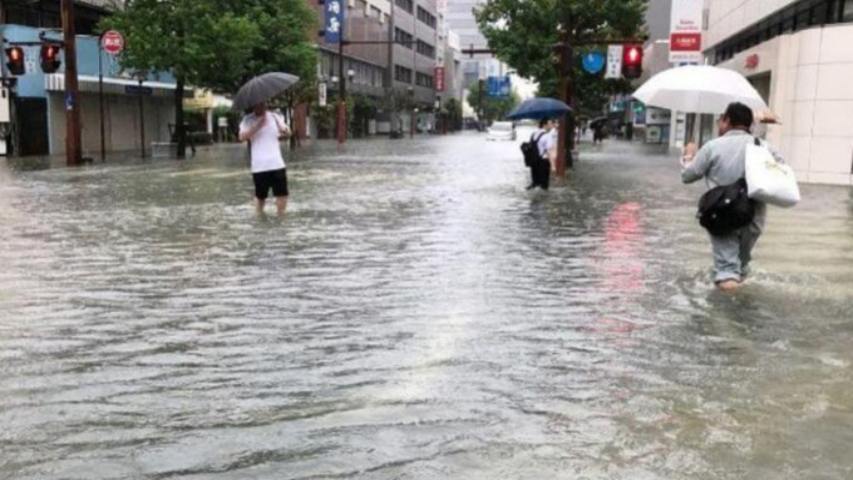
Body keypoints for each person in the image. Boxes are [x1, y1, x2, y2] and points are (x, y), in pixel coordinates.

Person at [681, 102, 784, 292]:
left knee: (727, 271)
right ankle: (744, 304)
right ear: (749, 124)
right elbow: (780, 172)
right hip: (754, 217)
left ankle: (729, 317)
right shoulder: (764, 146)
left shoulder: (712, 147)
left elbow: (687, 177)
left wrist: (688, 157)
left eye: (720, 120)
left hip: (722, 215)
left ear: (727, 120)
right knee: (741, 267)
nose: (719, 124)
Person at [239, 102, 291, 215]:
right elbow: (242, 137)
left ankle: (281, 217)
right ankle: (260, 218)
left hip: (277, 163)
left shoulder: (275, 117)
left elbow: (288, 133)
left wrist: (284, 130)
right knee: (260, 196)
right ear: (254, 105)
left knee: (282, 194)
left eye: (264, 104)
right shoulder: (247, 120)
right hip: (259, 166)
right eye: (259, 104)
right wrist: (257, 126)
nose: (262, 106)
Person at [527, 119, 557, 190]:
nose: (551, 126)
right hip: (543, 162)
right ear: (544, 125)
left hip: (534, 162)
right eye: (550, 124)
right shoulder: (547, 135)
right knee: (544, 186)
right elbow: (549, 151)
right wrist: (553, 166)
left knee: (535, 183)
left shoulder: (533, 134)